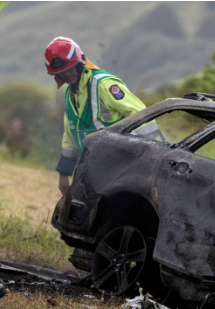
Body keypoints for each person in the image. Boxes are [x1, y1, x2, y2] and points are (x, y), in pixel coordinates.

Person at [45, 36, 159, 195]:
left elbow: (139, 114)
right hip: (95, 169)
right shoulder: (70, 95)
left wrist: (155, 154)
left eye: (71, 68)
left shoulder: (104, 84)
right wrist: (64, 173)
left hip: (126, 165)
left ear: (80, 63)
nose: (68, 74)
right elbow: (70, 137)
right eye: (63, 72)